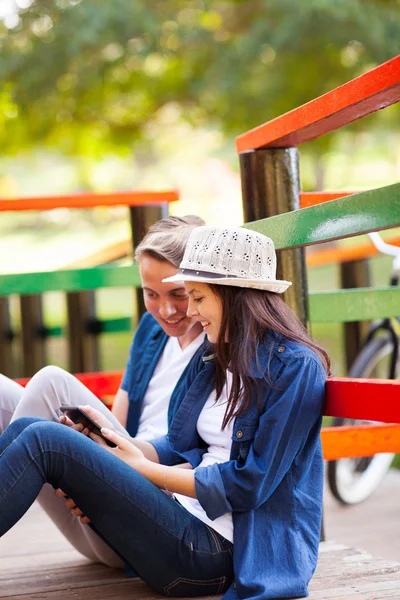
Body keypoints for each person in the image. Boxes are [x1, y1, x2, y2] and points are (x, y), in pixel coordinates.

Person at [0, 226, 330, 599]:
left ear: (235, 295)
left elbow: (249, 484)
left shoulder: (296, 368)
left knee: (45, 441)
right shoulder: (215, 354)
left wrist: (143, 470)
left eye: (197, 297)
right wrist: (106, 448)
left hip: (217, 555)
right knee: (31, 426)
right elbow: (176, 444)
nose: (189, 311)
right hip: (176, 517)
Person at [0, 214, 206, 568]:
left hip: (148, 522)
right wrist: (86, 467)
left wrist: (101, 465)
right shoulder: (151, 330)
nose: (166, 310)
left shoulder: (220, 347)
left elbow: (215, 459)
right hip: (95, 514)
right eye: (151, 294)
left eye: (179, 294)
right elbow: (115, 423)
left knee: (50, 380)